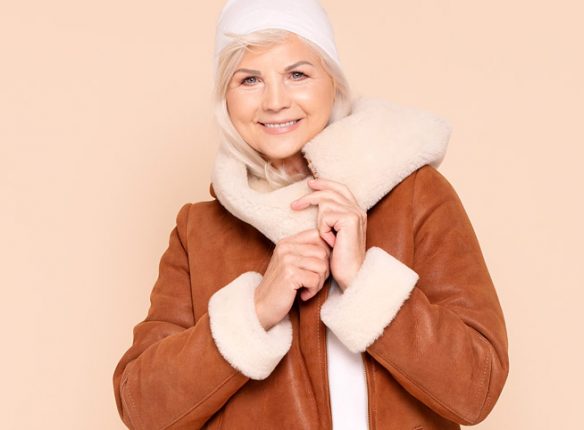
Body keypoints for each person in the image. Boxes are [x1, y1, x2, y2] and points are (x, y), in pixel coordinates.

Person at [112, 0, 510, 428]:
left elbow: (476, 388)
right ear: (225, 97)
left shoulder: (415, 197)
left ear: (333, 84)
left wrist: (363, 281)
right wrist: (255, 311)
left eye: (297, 74)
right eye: (249, 80)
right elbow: (144, 410)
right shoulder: (200, 231)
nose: (275, 102)